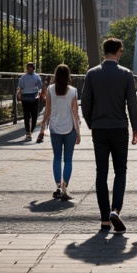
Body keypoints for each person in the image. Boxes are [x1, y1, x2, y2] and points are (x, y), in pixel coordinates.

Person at [81, 37, 137, 233]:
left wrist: (92, 124)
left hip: (99, 129)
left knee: (101, 173)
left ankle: (105, 219)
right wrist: (136, 128)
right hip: (119, 128)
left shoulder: (91, 74)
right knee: (120, 170)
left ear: (104, 50)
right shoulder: (126, 74)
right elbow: (132, 104)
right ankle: (116, 210)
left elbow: (86, 103)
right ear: (119, 52)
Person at [37, 64, 80, 199]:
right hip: (70, 129)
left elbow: (47, 112)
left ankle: (57, 186)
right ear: (68, 76)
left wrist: (42, 130)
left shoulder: (50, 90)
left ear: (55, 75)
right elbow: (75, 114)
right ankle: (65, 186)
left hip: (55, 128)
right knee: (68, 160)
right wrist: (78, 133)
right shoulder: (73, 91)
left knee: (57, 157)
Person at [16, 62, 45, 142]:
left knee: (34, 115)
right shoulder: (23, 78)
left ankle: (31, 130)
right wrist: (19, 95)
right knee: (26, 116)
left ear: (33, 68)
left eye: (30, 67)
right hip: (25, 97)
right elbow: (20, 88)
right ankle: (28, 132)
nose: (29, 69)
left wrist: (40, 94)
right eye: (28, 67)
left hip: (34, 97)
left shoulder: (37, 77)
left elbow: (40, 87)